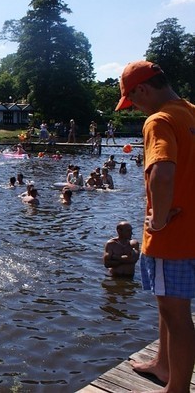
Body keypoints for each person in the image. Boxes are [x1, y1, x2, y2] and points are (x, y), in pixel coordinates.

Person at [115, 60, 195, 392]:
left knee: (177, 316)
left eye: (132, 100)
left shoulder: (159, 120)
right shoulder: (190, 111)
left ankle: (175, 387)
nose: (134, 107)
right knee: (168, 302)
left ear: (143, 89)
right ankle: (162, 364)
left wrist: (159, 222)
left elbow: (162, 174)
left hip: (172, 237)